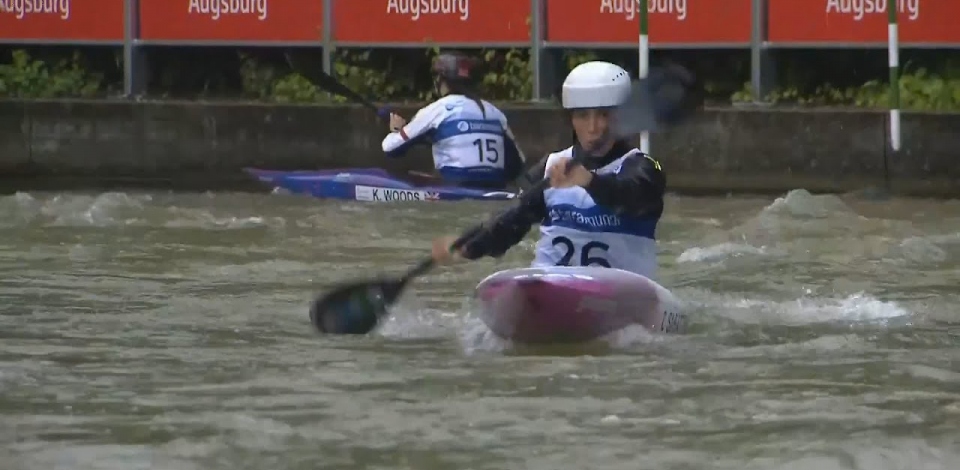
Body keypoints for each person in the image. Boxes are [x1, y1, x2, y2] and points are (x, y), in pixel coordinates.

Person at [430, 61, 666, 281]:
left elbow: (633, 196)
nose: (593, 127)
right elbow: (514, 220)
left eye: (603, 115)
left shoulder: (644, 167)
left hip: (622, 291)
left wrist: (590, 181)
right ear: (571, 119)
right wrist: (469, 247)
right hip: (552, 286)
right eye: (582, 115)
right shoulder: (550, 166)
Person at [381, 51, 525, 190]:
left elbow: (390, 148)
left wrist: (397, 130)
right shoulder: (495, 113)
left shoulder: (437, 110)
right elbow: (518, 164)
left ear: (440, 80)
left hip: (455, 187)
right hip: (495, 188)